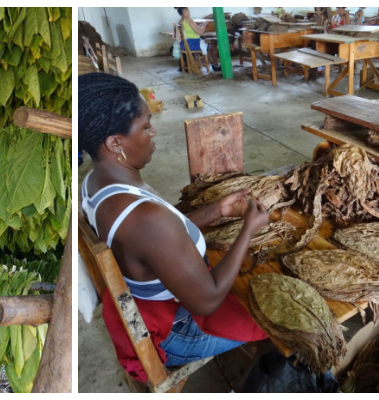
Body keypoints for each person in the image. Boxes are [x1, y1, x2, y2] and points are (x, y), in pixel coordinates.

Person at [78, 72, 270, 382]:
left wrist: (216, 210)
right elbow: (206, 301)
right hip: (174, 331)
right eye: (144, 126)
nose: (153, 132)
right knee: (276, 320)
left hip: (145, 305)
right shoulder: (144, 217)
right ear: (116, 143)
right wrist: (248, 229)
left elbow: (160, 242)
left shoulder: (97, 182)